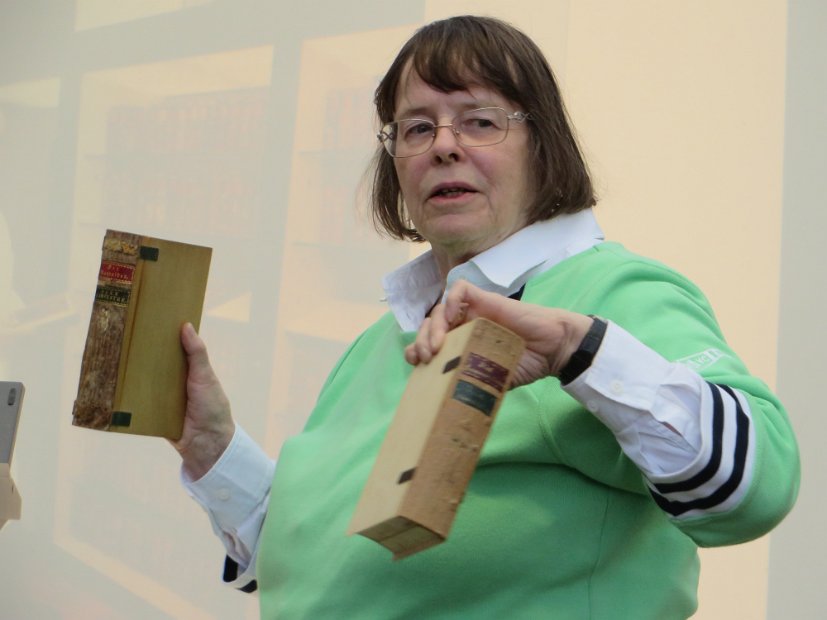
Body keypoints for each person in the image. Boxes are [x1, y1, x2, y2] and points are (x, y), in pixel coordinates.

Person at [175, 15, 800, 619]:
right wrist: (210, 446)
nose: (444, 146)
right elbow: (317, 565)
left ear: (542, 146)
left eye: (480, 121)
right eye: (417, 128)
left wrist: (575, 349)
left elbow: (758, 486)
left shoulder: (609, 289)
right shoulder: (377, 341)